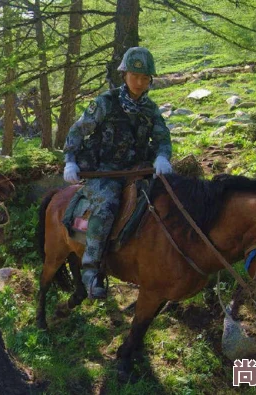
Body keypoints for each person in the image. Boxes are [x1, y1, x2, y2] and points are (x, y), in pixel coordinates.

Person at [63, 47, 173, 299]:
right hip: (103, 173)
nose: (139, 82)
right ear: (124, 75)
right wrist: (70, 161)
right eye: (135, 75)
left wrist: (162, 156)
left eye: (145, 78)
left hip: (138, 170)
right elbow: (77, 132)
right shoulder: (105, 103)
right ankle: (91, 272)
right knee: (108, 205)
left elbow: (162, 138)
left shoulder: (150, 109)